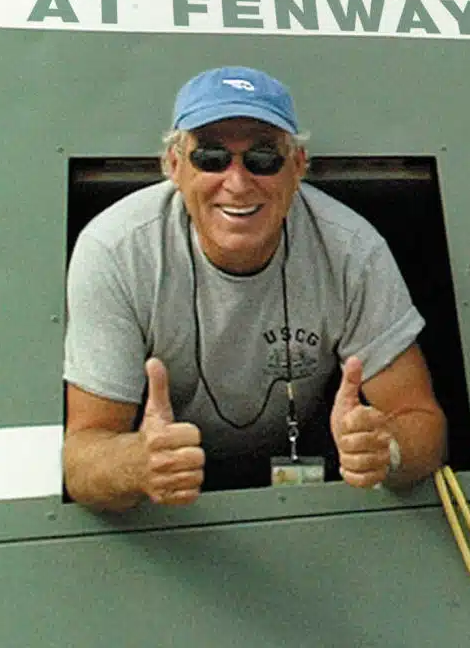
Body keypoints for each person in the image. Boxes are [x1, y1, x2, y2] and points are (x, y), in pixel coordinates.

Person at [63, 66, 446, 510]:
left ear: (298, 167)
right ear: (173, 166)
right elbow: (82, 456)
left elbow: (422, 423)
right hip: (169, 510)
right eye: (210, 158)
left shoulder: (352, 250)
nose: (238, 183)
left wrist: (387, 450)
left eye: (264, 159)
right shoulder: (116, 249)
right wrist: (137, 463)